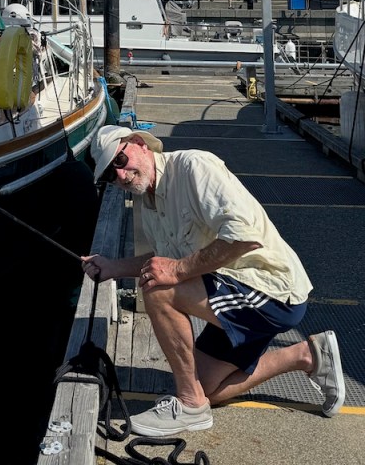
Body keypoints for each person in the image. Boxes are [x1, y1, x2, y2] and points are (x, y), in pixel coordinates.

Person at [81, 126, 344, 438]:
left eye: (120, 160)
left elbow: (244, 237)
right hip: (232, 289)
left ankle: (190, 407)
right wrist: (112, 267)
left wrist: (177, 272)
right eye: (111, 175)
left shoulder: (194, 167)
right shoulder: (147, 201)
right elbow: (164, 259)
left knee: (157, 290)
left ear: (139, 144)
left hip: (272, 290)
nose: (121, 176)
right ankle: (307, 355)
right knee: (206, 388)